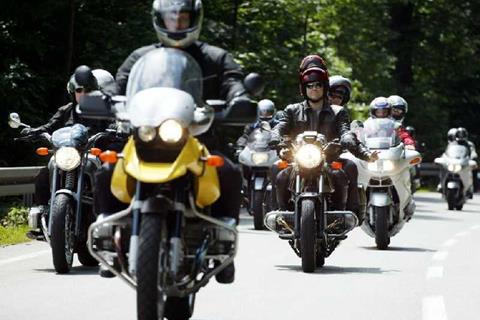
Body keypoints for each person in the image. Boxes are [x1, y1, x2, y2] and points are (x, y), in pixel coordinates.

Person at [95, 0, 250, 283]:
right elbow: (119, 87)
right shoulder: (140, 58)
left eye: (183, 17)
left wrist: (239, 99)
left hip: (201, 138)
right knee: (107, 169)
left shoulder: (214, 57)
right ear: (159, 19)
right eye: (171, 18)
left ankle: (224, 242)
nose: (177, 23)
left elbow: (233, 83)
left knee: (228, 170)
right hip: (146, 139)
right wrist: (105, 99)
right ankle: (108, 237)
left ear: (195, 19)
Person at [271, 54, 378, 224]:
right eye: (310, 85)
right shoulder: (292, 110)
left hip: (328, 157)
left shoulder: (338, 112)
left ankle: (347, 215)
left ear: (325, 87)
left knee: (348, 168)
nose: (314, 88)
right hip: (298, 158)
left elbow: (345, 131)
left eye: (318, 85)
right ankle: (279, 215)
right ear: (304, 88)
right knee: (278, 171)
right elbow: (280, 126)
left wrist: (362, 151)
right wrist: (275, 136)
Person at [21, 68, 115, 238]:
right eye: (79, 90)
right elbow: (50, 126)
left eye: (88, 90)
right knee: (43, 174)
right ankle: (44, 214)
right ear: (73, 91)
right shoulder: (67, 110)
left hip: (91, 155)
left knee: (107, 175)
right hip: (68, 154)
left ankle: (106, 218)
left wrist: (115, 129)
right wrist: (35, 131)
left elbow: (114, 124)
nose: (83, 93)